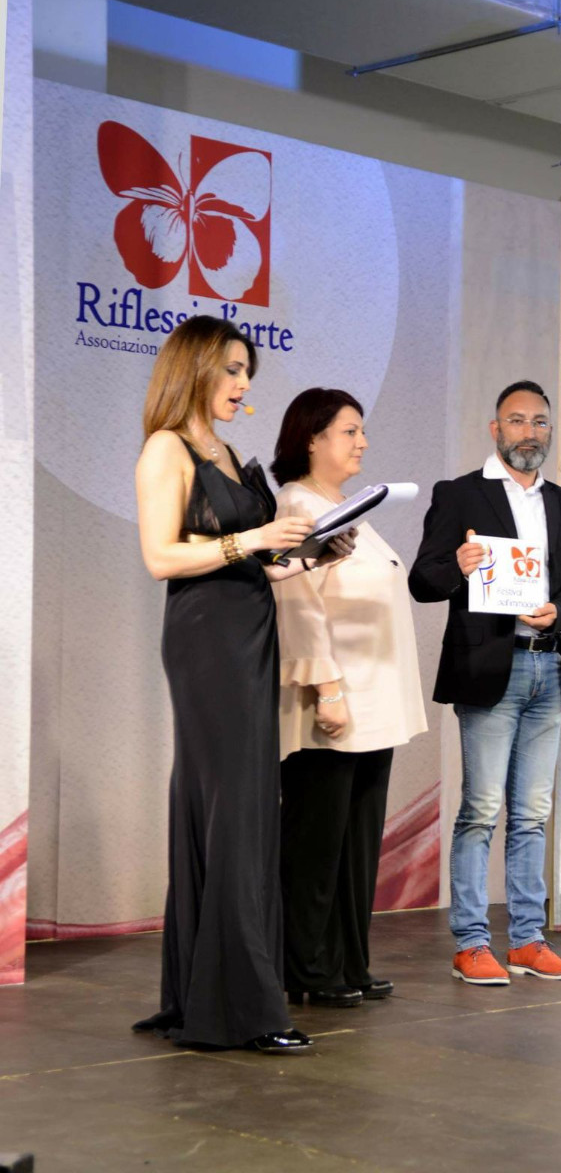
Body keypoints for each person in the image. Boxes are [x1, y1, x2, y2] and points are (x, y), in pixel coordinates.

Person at [132, 316, 351, 1053]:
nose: (243, 383)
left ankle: (209, 992)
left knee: (246, 806)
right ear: (194, 368)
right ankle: (242, 1008)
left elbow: (255, 564)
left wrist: (311, 553)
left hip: (251, 633)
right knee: (233, 809)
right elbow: (161, 557)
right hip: (206, 641)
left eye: (246, 371)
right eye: (231, 369)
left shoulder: (223, 452)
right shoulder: (166, 448)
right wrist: (253, 538)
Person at [409, 380, 561, 986]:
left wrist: (560, 611)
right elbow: (422, 580)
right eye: (517, 421)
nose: (529, 432)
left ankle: (527, 940)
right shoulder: (461, 494)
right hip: (490, 667)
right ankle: (471, 942)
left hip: (548, 664)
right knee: (482, 810)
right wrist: (456, 565)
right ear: (496, 429)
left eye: (540, 422)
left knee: (533, 814)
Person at [270, 387, 427, 1007]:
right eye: (349, 431)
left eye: (362, 431)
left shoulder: (346, 506)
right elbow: (298, 604)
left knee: (356, 843)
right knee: (317, 842)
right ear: (312, 438)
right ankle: (308, 968)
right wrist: (327, 689)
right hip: (333, 702)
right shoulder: (297, 504)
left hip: (374, 705)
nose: (362, 442)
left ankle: (349, 962)